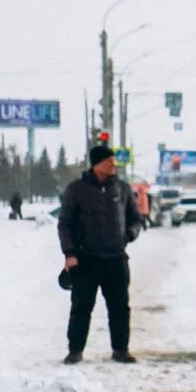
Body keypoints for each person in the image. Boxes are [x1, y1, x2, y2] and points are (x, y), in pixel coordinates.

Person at [58, 143, 142, 364]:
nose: (113, 164)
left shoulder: (122, 189)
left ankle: (120, 350)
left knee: (119, 307)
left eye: (114, 161)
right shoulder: (76, 189)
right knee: (82, 307)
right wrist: (70, 253)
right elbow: (65, 223)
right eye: (108, 161)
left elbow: (135, 218)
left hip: (116, 259)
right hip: (86, 260)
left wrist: (129, 235)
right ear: (97, 164)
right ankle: (75, 350)